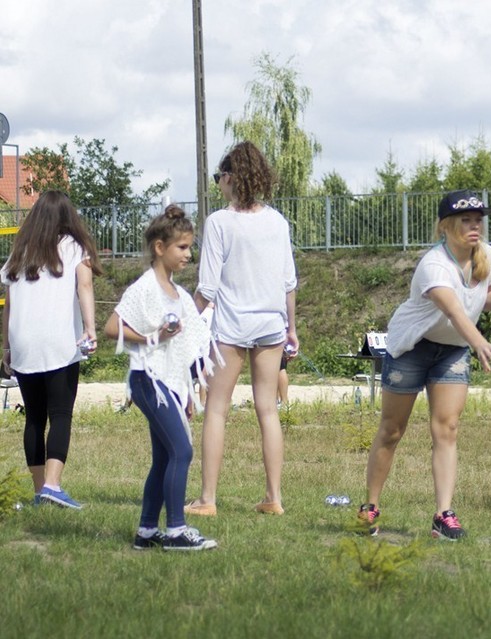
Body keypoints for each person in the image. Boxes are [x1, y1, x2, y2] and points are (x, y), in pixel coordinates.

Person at [357, 189, 491, 540]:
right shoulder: (433, 264)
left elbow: (476, 301)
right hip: (412, 347)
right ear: (446, 226)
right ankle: (369, 506)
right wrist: (480, 343)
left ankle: (443, 515)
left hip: (451, 350)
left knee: (447, 429)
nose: (475, 226)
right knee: (392, 430)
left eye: (479, 220)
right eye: (466, 220)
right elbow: (453, 309)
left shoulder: (486, 255)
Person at [185, 141, 298, 517]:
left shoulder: (219, 222)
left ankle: (207, 499)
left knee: (217, 409)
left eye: (220, 177)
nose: (219, 183)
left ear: (232, 177)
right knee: (268, 409)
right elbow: (288, 282)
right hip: (271, 325)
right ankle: (273, 497)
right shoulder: (278, 221)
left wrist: (186, 317)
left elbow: (208, 287)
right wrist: (291, 329)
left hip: (231, 326)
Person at [104, 205, 217, 551]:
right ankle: (176, 531)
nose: (188, 254)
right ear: (159, 247)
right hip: (147, 381)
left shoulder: (179, 294)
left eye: (189, 247)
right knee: (182, 451)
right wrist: (151, 337)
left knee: (165, 457)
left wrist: (186, 392)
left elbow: (188, 345)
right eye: (181, 247)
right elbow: (111, 327)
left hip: (168, 385)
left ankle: (147, 531)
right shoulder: (144, 289)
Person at [1, 190, 102, 509]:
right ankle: (53, 486)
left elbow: (9, 304)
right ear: (67, 218)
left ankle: (39, 490)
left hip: (23, 344)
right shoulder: (75, 247)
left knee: (34, 417)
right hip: (59, 342)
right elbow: (84, 286)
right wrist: (90, 328)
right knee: (60, 414)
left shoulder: (20, 251)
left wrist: (6, 345)